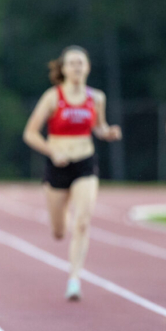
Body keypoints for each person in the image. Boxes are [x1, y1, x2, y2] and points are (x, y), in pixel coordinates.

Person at [23, 46, 122, 301]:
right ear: (64, 69)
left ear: (87, 67)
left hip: (84, 162)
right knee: (59, 231)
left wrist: (107, 132)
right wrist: (52, 151)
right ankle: (62, 218)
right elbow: (30, 133)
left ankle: (74, 279)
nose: (77, 67)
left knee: (82, 222)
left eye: (81, 63)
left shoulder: (96, 97)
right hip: (57, 164)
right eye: (72, 63)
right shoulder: (52, 97)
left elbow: (98, 127)